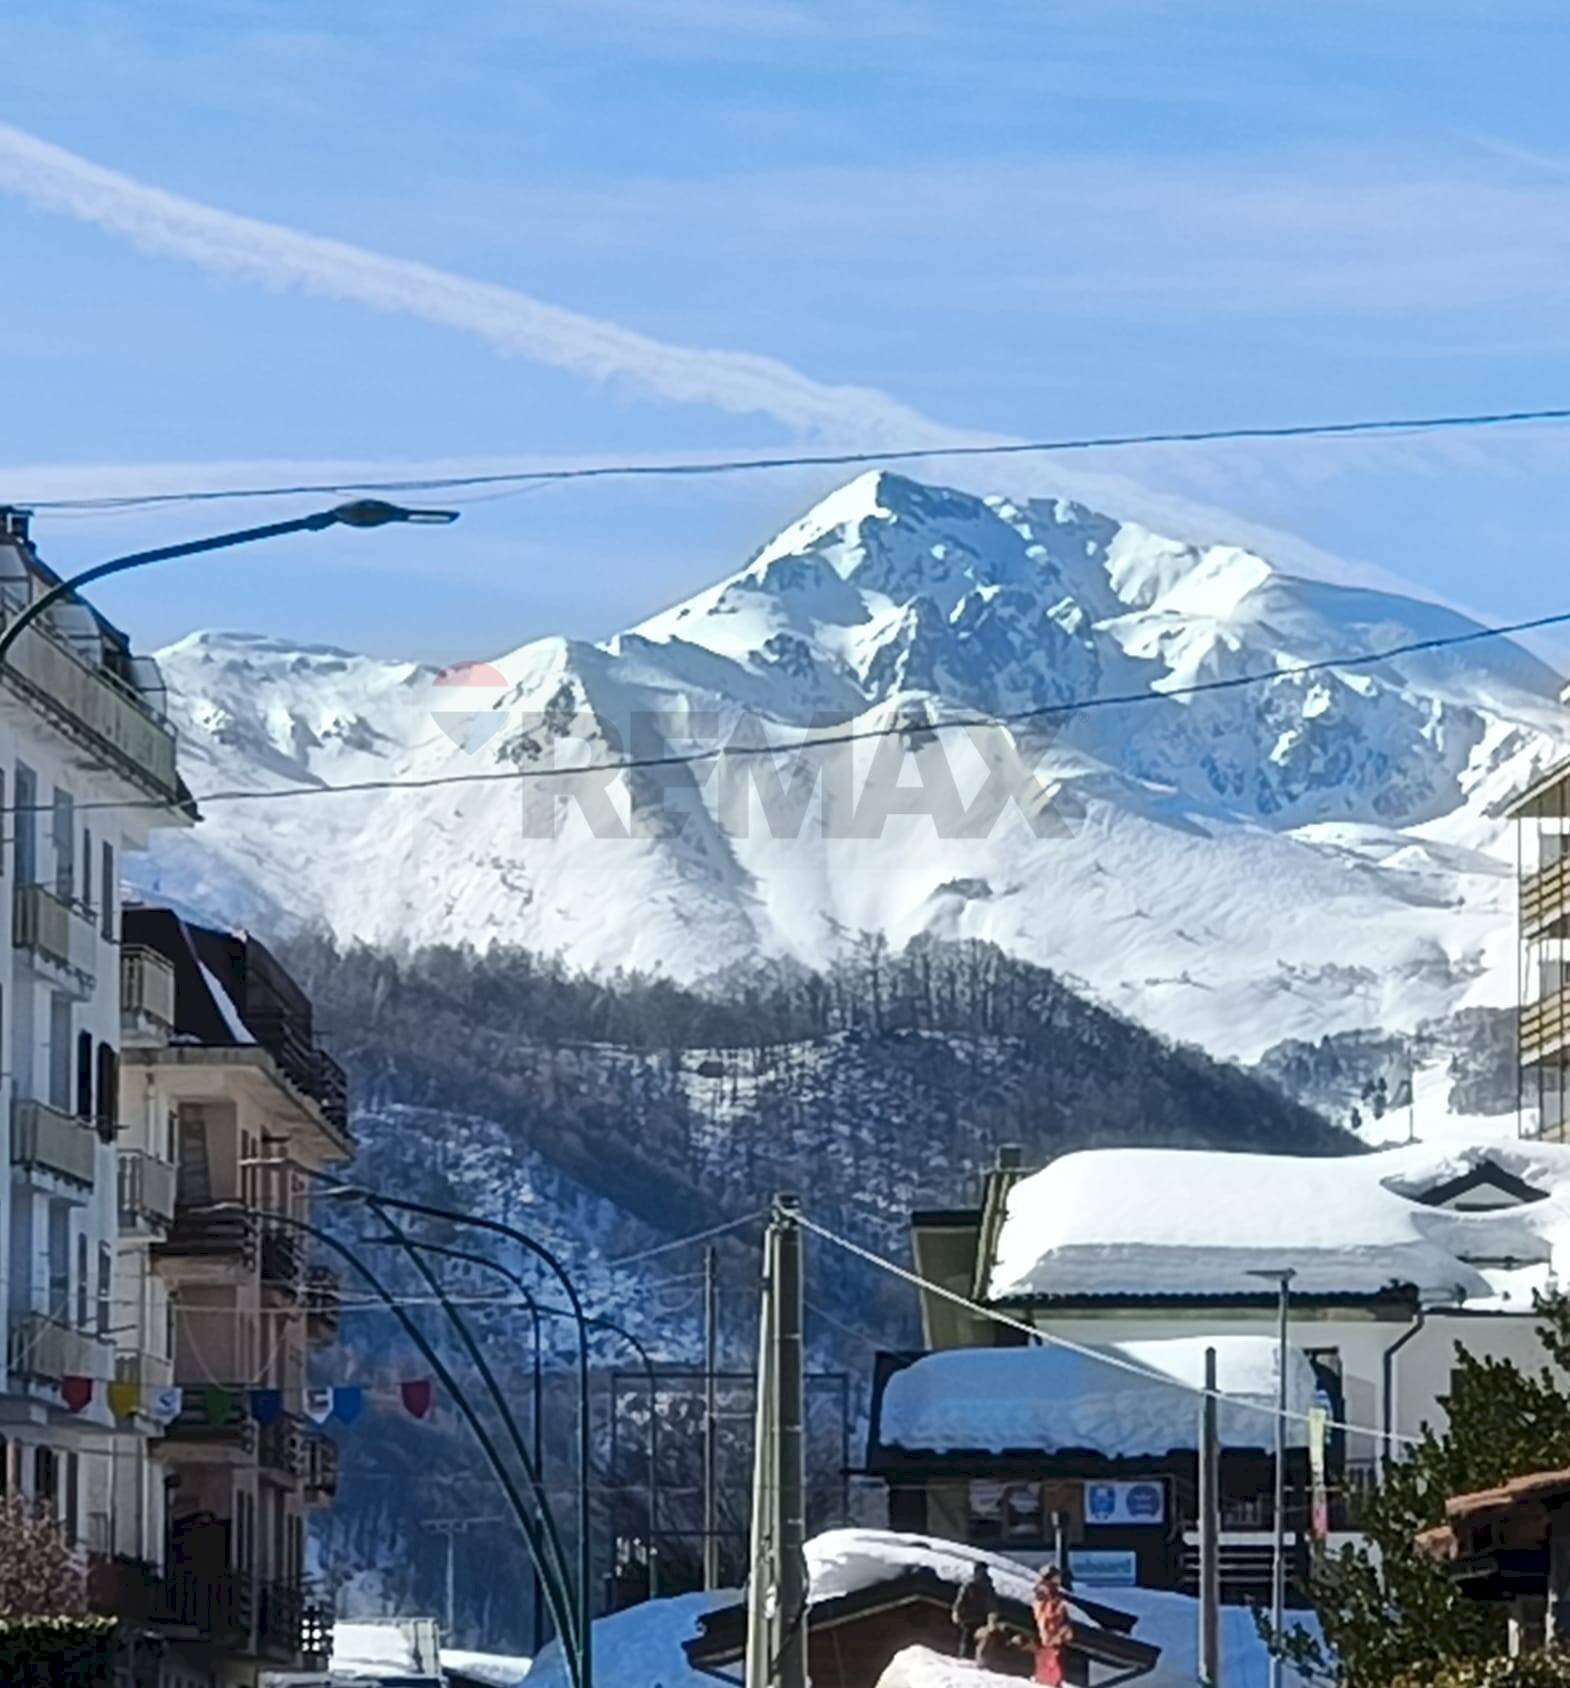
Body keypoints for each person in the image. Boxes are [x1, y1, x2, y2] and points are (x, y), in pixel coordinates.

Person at [1032, 1568, 1074, 1687]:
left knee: (1054, 1669)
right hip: (1050, 1636)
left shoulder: (1052, 1593)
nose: (1059, 1579)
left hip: (1055, 1635)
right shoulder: (1044, 1593)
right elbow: (1045, 1615)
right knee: (1051, 1671)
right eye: (1056, 1576)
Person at [952, 1563, 999, 1657]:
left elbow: (991, 1605)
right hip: (973, 1618)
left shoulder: (984, 1587)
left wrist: (992, 1618)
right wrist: (956, 1611)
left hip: (975, 1618)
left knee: (970, 1640)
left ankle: (967, 1659)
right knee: (970, 1640)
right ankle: (968, 1659)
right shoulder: (981, 1586)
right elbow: (961, 1600)